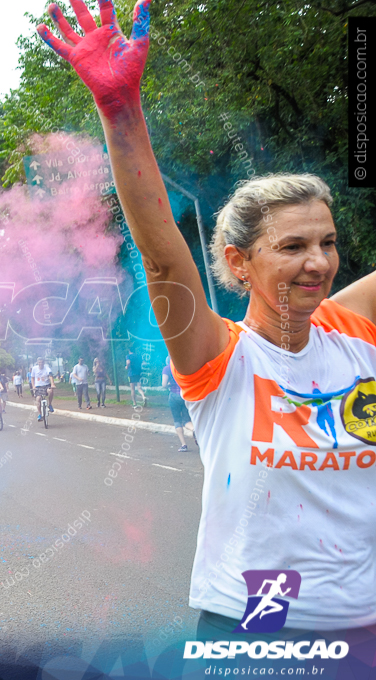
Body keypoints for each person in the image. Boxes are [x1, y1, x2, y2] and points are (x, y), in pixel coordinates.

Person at [41, 0, 376, 641]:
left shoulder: (355, 329)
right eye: (292, 246)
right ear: (238, 263)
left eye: (327, 243)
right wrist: (120, 112)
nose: (319, 263)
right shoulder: (220, 357)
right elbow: (163, 250)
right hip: (264, 614)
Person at [161, 356, 190, 451]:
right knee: (187, 420)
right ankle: (194, 431)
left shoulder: (167, 368)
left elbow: (164, 385)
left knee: (177, 420)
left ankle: (183, 445)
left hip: (174, 395)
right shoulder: (183, 367)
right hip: (185, 395)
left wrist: (169, 385)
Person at [30, 357, 55, 421]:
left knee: (50, 391)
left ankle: (50, 404)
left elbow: (50, 376)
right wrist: (33, 386)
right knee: (38, 399)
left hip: (46, 385)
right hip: (38, 386)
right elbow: (32, 378)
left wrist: (52, 384)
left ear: (44, 362)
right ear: (37, 362)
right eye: (39, 362)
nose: (40, 364)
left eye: (42, 362)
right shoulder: (34, 368)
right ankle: (40, 414)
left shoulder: (47, 368)